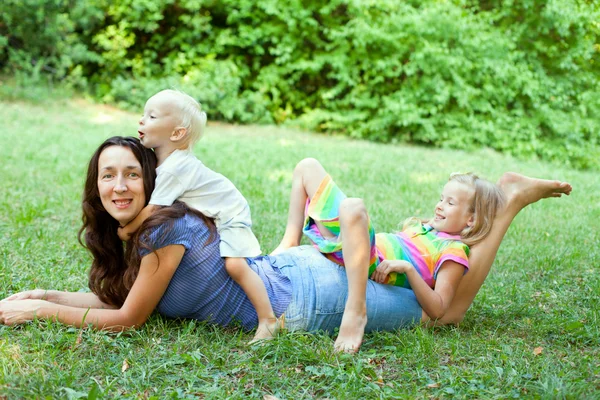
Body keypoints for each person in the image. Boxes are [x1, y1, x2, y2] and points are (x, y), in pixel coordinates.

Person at [0, 137, 572, 354]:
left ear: (154, 181)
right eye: (108, 176)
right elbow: (123, 299)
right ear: (94, 185)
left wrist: (39, 312)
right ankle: (508, 198)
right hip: (294, 266)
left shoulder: (165, 229)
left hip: (310, 295)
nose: (119, 186)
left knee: (448, 314)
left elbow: (128, 318)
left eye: (131, 174)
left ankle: (509, 202)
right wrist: (45, 291)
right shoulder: (140, 232)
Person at [271, 158, 505, 351]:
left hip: (368, 261)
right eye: (441, 198)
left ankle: (356, 314)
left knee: (353, 207)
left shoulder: (453, 250)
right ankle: (290, 241)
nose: (439, 205)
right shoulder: (425, 230)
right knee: (307, 167)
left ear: (471, 219)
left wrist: (408, 269)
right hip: (355, 247)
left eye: (450, 203)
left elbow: (439, 308)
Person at [118, 90, 278, 342]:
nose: (141, 121)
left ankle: (268, 318)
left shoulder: (174, 168)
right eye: (142, 114)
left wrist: (126, 230)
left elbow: (153, 210)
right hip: (217, 209)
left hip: (230, 212)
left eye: (151, 116)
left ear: (176, 133)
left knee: (235, 265)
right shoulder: (165, 163)